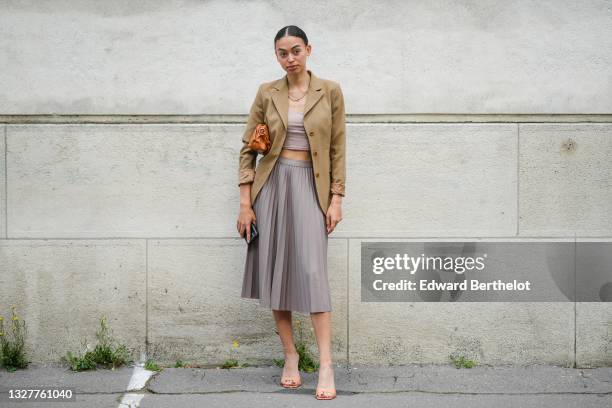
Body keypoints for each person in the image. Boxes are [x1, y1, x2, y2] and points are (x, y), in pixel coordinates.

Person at [236, 25, 346, 400]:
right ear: (277, 56)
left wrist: (336, 197)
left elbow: (337, 148)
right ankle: (290, 357)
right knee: (277, 274)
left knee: (314, 274)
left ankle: (327, 364)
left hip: (311, 190)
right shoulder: (267, 92)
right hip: (273, 189)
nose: (290, 58)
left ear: (309, 50)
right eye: (283, 53)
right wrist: (245, 203)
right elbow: (248, 149)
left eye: (296, 51)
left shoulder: (329, 91)